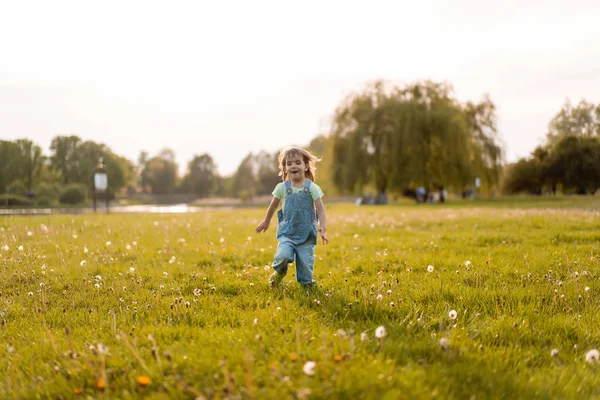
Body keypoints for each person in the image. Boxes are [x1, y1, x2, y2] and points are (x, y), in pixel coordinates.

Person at [255, 147, 329, 287]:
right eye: (289, 164)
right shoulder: (282, 188)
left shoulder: (312, 187)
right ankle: (279, 273)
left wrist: (323, 229)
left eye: (297, 162)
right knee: (284, 256)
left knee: (306, 266)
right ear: (285, 168)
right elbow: (273, 206)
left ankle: (306, 286)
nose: (293, 166)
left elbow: (321, 210)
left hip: (306, 235)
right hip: (287, 233)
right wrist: (266, 221)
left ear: (306, 166)